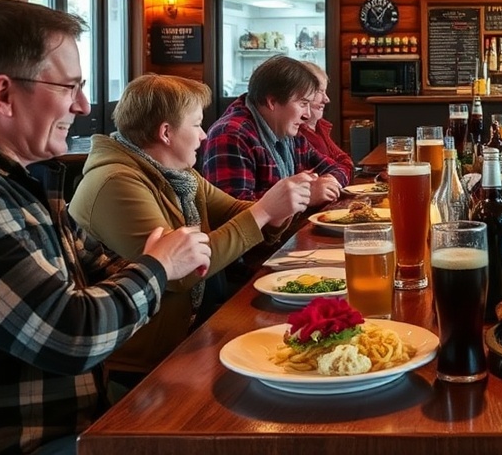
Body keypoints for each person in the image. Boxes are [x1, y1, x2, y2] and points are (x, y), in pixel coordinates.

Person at [0, 1, 210, 455]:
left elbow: (102, 266)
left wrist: (149, 268)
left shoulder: (23, 178)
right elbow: (71, 334)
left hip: (85, 417)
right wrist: (160, 266)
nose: (85, 105)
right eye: (69, 86)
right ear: (4, 95)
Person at [68, 74, 314, 400]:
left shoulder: (179, 174)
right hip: (139, 370)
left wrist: (276, 212)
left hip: (190, 339)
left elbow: (236, 211)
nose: (203, 134)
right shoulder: (115, 182)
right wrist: (265, 211)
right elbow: (178, 273)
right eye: (197, 124)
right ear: (166, 133)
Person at [202, 54, 348, 208]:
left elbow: (338, 168)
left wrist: (328, 182)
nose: (307, 115)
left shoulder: (286, 129)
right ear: (272, 102)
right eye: (303, 103)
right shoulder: (231, 134)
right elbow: (233, 213)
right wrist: (306, 195)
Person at [299, 61, 354, 183]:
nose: (327, 99)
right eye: (320, 91)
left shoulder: (320, 126)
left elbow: (347, 163)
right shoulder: (295, 134)